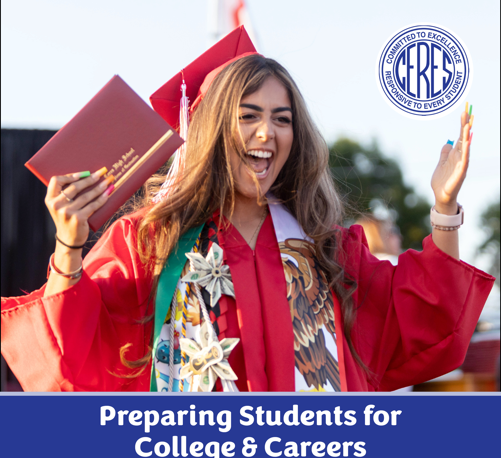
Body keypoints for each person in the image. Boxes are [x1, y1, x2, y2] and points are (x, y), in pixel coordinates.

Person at [1, 26, 495, 392]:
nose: (267, 134)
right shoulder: (148, 242)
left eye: (282, 119)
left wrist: (445, 208)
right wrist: (68, 244)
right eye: (249, 116)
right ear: (212, 129)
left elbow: (420, 311)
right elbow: (73, 347)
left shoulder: (323, 243)